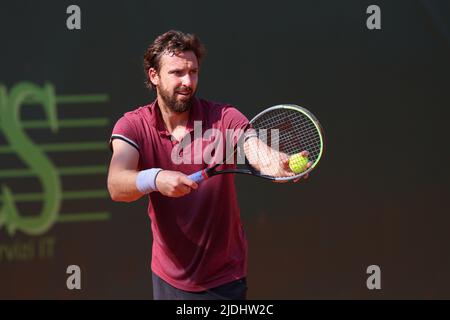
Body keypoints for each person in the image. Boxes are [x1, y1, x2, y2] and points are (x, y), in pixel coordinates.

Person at [107, 30, 307, 300]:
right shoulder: (133, 125)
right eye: (177, 73)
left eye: (193, 72)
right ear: (154, 76)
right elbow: (117, 184)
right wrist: (155, 178)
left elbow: (256, 150)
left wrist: (277, 164)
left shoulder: (223, 117)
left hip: (224, 278)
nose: (187, 82)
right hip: (168, 278)